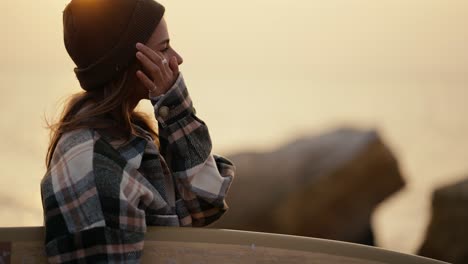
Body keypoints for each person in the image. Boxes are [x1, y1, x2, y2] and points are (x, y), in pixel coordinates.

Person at [40, 0, 235, 262]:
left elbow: (204, 203)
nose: (177, 59)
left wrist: (174, 109)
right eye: (164, 48)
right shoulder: (91, 163)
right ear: (128, 60)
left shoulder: (130, 135)